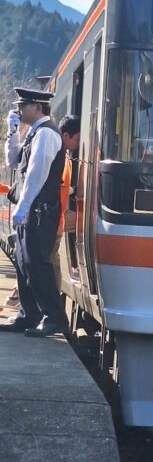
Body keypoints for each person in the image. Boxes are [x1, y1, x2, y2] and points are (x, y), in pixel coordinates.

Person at [0, 88, 68, 337]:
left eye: (23, 106)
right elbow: (13, 161)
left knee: (37, 262)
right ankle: (29, 314)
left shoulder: (47, 134)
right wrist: (12, 132)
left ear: (37, 107)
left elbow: (37, 174)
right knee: (23, 263)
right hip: (31, 209)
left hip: (40, 210)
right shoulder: (34, 132)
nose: (19, 110)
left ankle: (53, 317)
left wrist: (23, 206)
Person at [51, 116, 80, 292]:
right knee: (49, 267)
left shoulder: (65, 157)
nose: (78, 144)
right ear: (66, 136)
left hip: (57, 223)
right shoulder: (57, 156)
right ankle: (51, 306)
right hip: (51, 224)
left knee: (51, 266)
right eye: (77, 139)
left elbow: (63, 187)